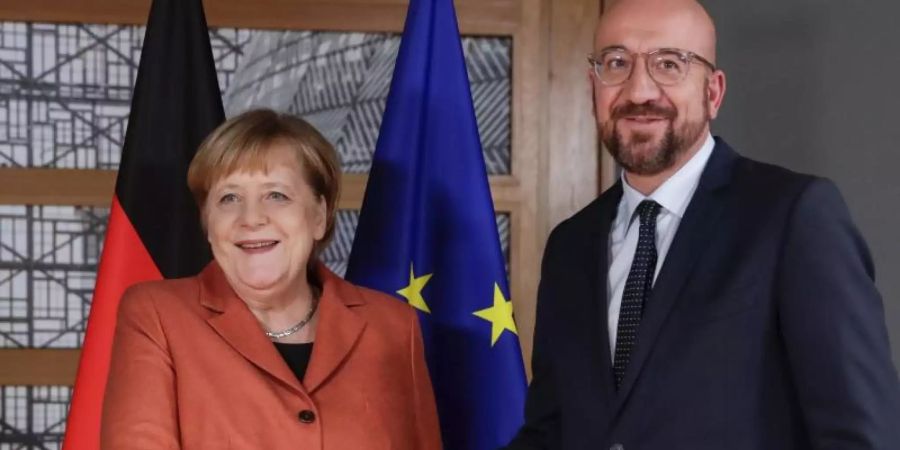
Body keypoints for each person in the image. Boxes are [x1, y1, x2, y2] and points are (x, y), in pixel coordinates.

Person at [505, 0, 900, 448]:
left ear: (713, 92)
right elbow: (551, 430)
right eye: (616, 63)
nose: (639, 91)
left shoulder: (793, 217)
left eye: (669, 64)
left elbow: (861, 437)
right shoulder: (569, 245)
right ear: (592, 85)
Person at [101, 109, 442, 449]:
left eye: (276, 195)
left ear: (319, 216)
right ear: (208, 223)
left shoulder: (393, 326)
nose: (251, 218)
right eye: (229, 198)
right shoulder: (157, 316)